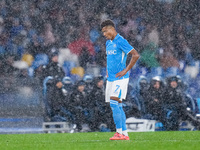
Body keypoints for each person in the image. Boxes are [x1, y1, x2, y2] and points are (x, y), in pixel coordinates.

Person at [101, 19, 140, 140]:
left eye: (105, 31)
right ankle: (124, 134)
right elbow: (110, 58)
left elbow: (135, 55)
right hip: (111, 78)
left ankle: (119, 133)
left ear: (112, 29)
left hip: (120, 78)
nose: (104, 34)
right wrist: (107, 69)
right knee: (118, 105)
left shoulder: (121, 41)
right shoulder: (108, 43)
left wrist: (126, 69)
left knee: (114, 104)